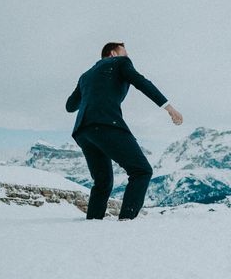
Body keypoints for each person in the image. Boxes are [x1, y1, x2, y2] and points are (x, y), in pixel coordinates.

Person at [66, 42, 183, 219]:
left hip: (83, 131)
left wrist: (91, 93)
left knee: (102, 182)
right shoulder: (121, 63)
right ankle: (127, 221)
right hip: (106, 124)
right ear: (113, 54)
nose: (128, 57)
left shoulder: (85, 76)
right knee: (141, 170)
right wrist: (169, 108)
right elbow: (141, 82)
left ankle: (92, 223)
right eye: (125, 53)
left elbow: (70, 106)